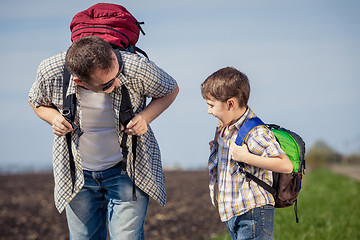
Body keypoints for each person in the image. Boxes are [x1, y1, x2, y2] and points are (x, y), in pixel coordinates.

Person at [29, 34, 178, 240]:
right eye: (107, 84)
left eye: (117, 73)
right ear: (79, 82)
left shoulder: (135, 66)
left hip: (126, 170)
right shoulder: (50, 71)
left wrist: (145, 117)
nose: (117, 83)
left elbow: (171, 88)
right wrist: (53, 118)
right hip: (78, 175)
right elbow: (36, 101)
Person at [201, 67, 292, 240]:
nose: (209, 111)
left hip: (253, 212)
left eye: (211, 105)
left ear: (230, 104)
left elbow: (285, 165)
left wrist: (247, 158)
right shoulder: (225, 129)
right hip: (233, 211)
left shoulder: (255, 132)